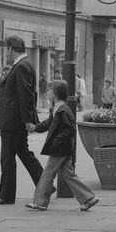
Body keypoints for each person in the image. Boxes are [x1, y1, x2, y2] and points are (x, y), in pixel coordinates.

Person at [25, 80, 99, 211]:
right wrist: (35, 128)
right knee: (68, 175)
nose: (47, 92)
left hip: (60, 149)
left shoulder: (63, 110)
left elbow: (69, 129)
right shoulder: (58, 109)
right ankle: (89, 198)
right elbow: (49, 123)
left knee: (47, 173)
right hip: (62, 148)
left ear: (56, 93)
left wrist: (56, 142)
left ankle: (40, 201)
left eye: (49, 90)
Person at [0, 36, 44, 205]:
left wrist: (27, 120)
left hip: (14, 122)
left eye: (7, 49)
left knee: (7, 157)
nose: (7, 53)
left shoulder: (21, 66)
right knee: (24, 154)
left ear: (11, 49)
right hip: (15, 120)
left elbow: (25, 94)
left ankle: (5, 195)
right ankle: (45, 185)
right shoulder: (22, 65)